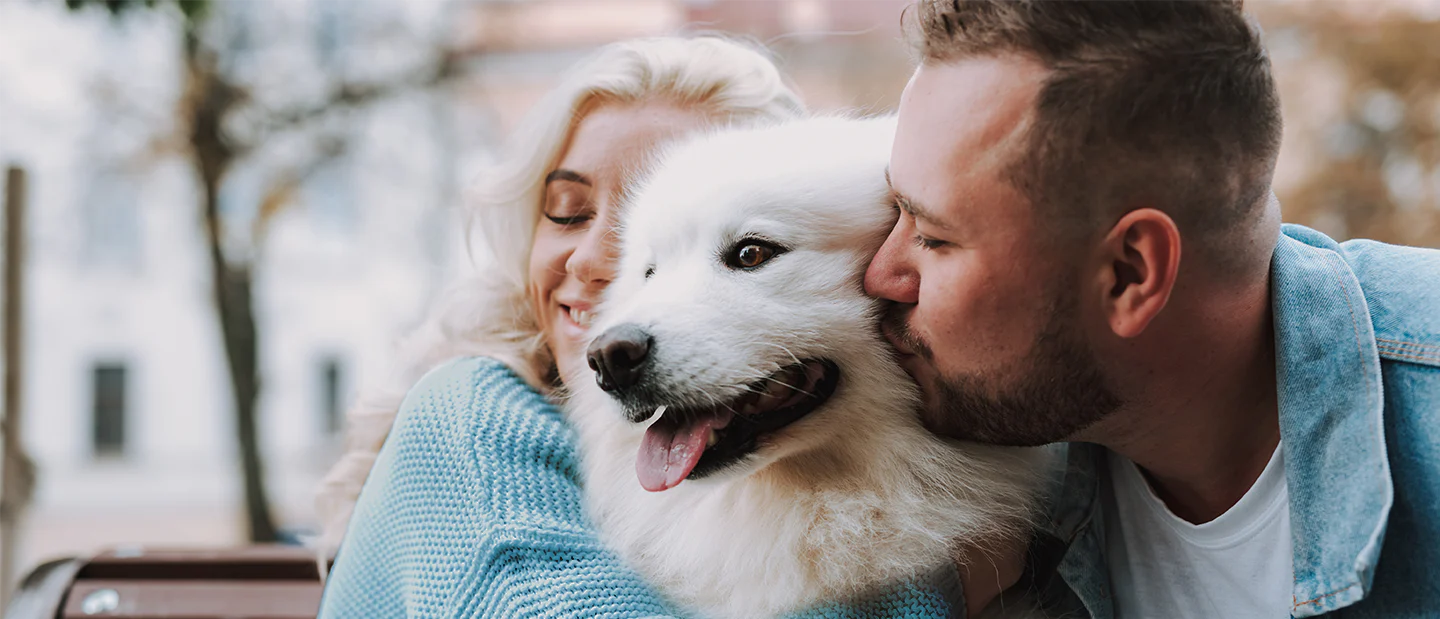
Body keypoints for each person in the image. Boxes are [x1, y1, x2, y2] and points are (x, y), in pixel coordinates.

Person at [317, 36, 990, 618]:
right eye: (568, 211)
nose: (594, 260)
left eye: (740, 251)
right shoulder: (471, 418)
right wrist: (957, 579)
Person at [863, 1, 1440, 617]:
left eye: (932, 236)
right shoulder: (985, 479)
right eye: (894, 210)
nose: (879, 277)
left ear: (1130, 275)